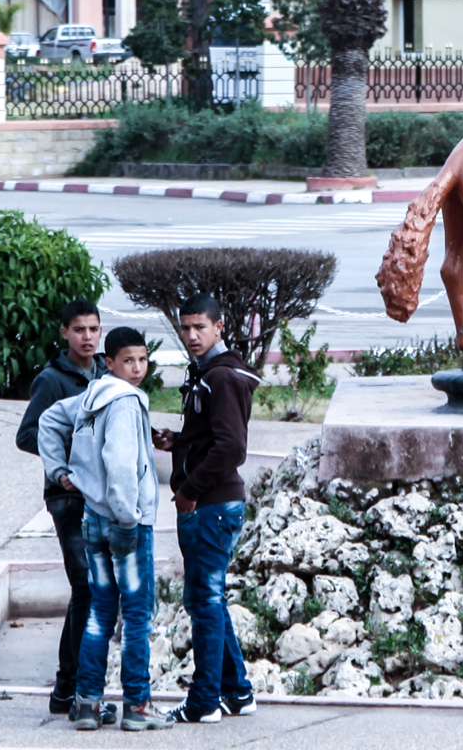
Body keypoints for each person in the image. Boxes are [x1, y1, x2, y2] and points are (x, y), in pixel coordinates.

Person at [40, 326, 169, 733]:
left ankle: (87, 702)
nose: (137, 368)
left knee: (98, 610)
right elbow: (120, 467)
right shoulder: (126, 403)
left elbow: (48, 420)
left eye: (143, 359)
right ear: (109, 362)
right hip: (125, 522)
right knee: (135, 616)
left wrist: (59, 470)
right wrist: (128, 519)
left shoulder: (92, 394)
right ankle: (138, 705)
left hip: (92, 518)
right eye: (128, 360)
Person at [154, 294, 261, 724]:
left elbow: (232, 447)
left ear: (219, 328)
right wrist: (178, 441)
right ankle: (237, 693)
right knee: (208, 600)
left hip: (212, 505)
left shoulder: (223, 378)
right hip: (210, 503)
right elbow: (210, 436)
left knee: (204, 600)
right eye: (185, 328)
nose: (192, 335)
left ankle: (203, 702)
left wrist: (191, 491)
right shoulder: (207, 374)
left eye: (200, 327)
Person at [16, 300, 104, 718]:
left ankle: (76, 684)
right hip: (67, 498)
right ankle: (67, 686)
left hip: (102, 496)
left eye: (93, 329)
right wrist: (68, 452)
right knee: (84, 586)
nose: (87, 337)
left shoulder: (107, 372)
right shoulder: (52, 381)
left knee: (95, 591)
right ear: (65, 333)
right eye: (79, 330)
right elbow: (27, 435)